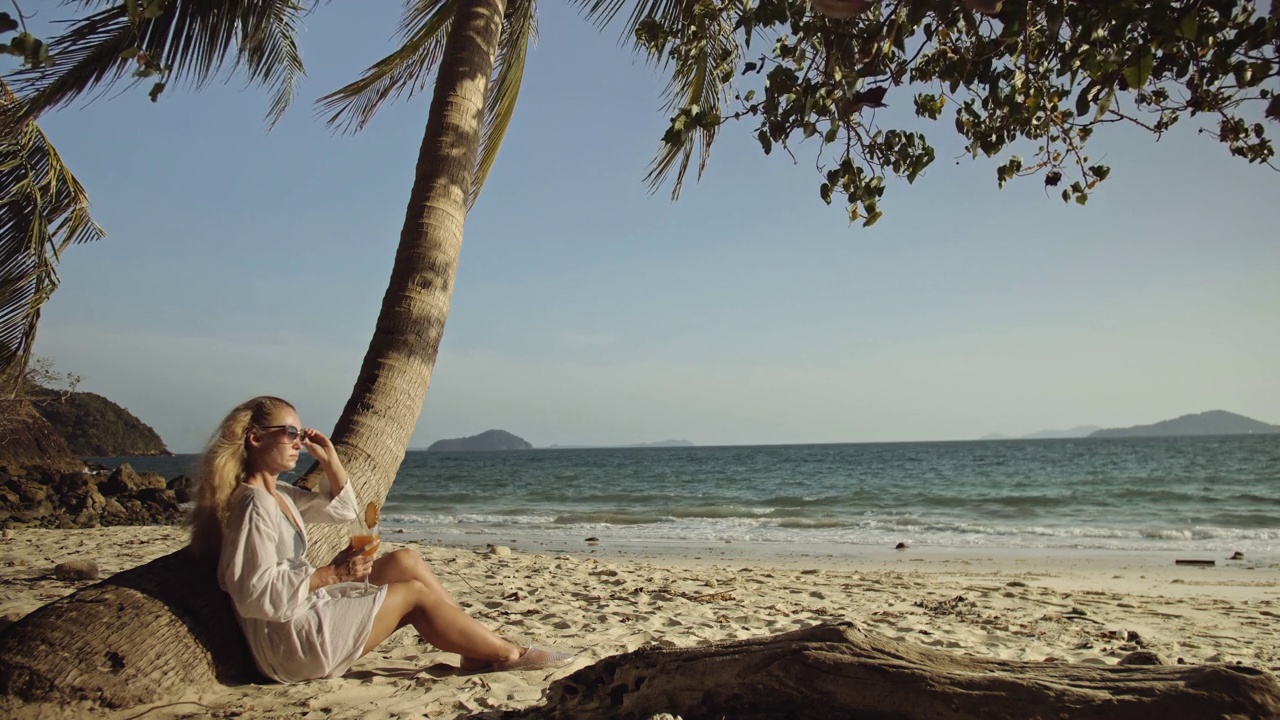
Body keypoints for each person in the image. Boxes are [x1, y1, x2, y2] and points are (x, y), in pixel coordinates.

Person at [189, 395, 573, 683]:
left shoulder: (280, 495)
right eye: (289, 433)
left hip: (304, 613)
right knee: (413, 594)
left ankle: (475, 651)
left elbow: (341, 511)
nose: (296, 442)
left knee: (405, 560)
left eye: (299, 434)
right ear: (255, 439)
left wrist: (330, 460)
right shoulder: (254, 504)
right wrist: (331, 574)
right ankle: (507, 653)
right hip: (291, 643)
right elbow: (253, 594)